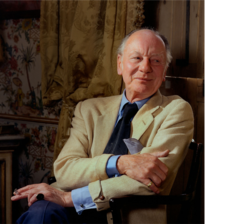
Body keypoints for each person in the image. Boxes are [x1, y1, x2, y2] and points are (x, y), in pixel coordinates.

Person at [11, 28, 194, 224]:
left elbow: (152, 181)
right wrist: (120, 163)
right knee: (40, 214)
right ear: (120, 64)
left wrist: (69, 198)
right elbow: (64, 170)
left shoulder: (175, 110)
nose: (145, 67)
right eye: (137, 58)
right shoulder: (88, 109)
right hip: (67, 205)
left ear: (164, 71)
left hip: (122, 212)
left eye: (156, 60)